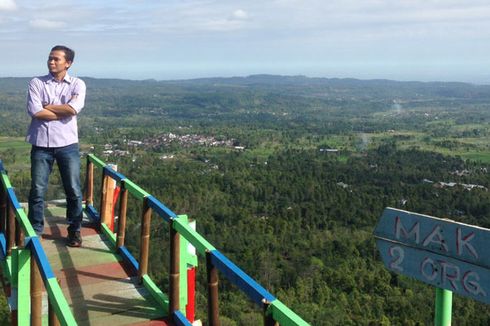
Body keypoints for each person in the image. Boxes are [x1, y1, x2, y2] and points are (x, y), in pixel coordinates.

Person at [26, 45, 86, 247]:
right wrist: (63, 111)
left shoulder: (77, 84)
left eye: (56, 59)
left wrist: (47, 107)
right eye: (50, 58)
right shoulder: (37, 82)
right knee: (37, 189)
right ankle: (35, 230)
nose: (51, 62)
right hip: (41, 144)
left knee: (74, 190)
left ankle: (75, 230)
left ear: (68, 63)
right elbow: (35, 112)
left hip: (67, 145)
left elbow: (73, 109)